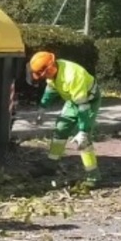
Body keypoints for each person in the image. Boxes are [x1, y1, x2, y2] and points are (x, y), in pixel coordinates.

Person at [27, 50, 101, 183]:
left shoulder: (72, 77)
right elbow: (51, 90)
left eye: (43, 74)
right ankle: (51, 166)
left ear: (50, 68)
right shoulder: (53, 74)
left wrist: (83, 130)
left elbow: (83, 107)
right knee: (60, 129)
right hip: (73, 101)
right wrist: (42, 108)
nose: (43, 77)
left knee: (82, 141)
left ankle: (93, 176)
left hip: (88, 101)